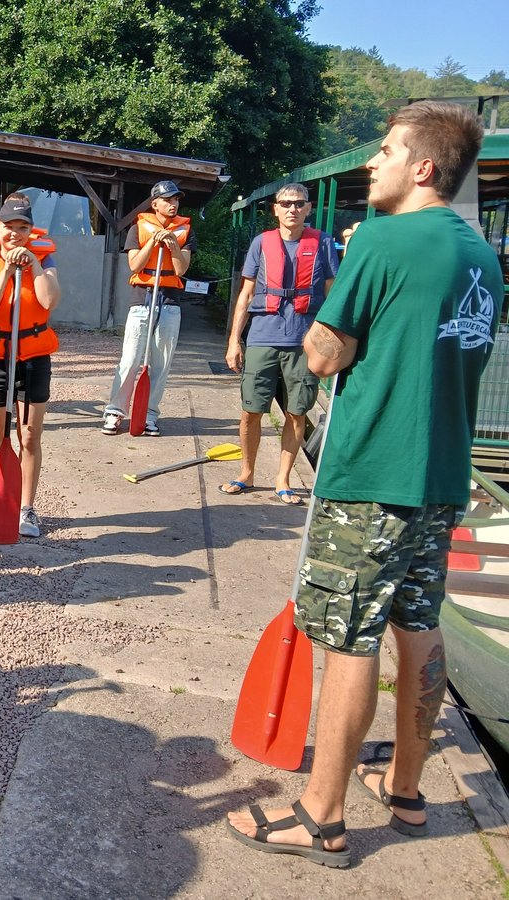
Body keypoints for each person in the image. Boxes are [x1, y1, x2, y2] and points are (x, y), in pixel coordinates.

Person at [226, 101, 503, 868]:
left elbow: (321, 355)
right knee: (419, 624)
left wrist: (345, 283)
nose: (370, 164)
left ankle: (321, 817)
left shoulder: (382, 238)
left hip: (373, 475)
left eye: (384, 151)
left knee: (348, 641)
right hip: (441, 476)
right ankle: (407, 791)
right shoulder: (481, 255)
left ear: (422, 167)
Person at [220, 183, 339, 504]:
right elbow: (245, 296)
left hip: (304, 342)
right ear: (275, 208)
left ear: (308, 208)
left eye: (299, 204)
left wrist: (332, 343)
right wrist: (234, 341)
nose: (292, 209)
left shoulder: (323, 243)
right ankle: (246, 472)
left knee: (297, 412)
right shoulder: (262, 243)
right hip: (262, 339)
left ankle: (283, 479)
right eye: (285, 204)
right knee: (250, 412)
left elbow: (333, 296)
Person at [0, 195, 61, 538]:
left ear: (31, 230)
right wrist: (5, 270)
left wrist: (32, 263)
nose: (15, 234)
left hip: (33, 358)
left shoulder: (44, 256)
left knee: (29, 436)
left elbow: (48, 300)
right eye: (9, 227)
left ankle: (27, 508)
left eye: (23, 227)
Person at [102, 181, 195, 436]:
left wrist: (173, 245)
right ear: (155, 204)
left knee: (161, 362)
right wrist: (153, 243)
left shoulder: (186, 231)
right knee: (131, 359)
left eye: (176, 200)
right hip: (142, 300)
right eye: (168, 200)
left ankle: (149, 414)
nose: (173, 204)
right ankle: (114, 411)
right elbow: (134, 265)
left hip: (170, 302)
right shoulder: (137, 229)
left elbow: (181, 269)